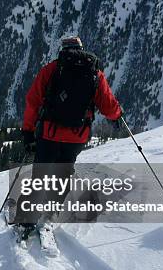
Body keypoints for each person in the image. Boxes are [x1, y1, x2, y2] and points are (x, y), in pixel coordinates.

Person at [16, 36, 122, 239]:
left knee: (41, 177)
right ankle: (49, 215)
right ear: (81, 49)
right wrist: (117, 115)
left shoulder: (52, 70)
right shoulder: (95, 74)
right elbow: (108, 104)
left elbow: (33, 101)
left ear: (62, 50)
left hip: (49, 135)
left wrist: (28, 132)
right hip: (77, 137)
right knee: (63, 174)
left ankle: (25, 221)